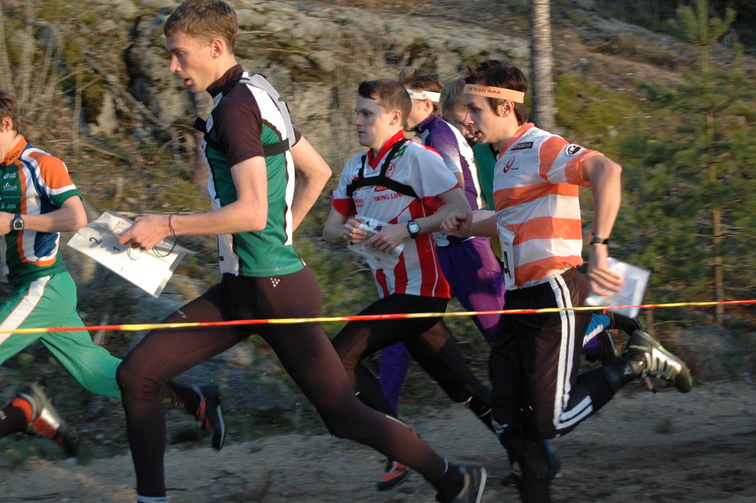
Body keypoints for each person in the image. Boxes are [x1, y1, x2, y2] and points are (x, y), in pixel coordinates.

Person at [115, 2, 486, 502]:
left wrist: (165, 224)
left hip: (274, 292)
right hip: (244, 287)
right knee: (137, 374)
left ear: (216, 47)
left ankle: (453, 479)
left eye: (180, 54)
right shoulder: (259, 90)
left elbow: (251, 212)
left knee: (343, 415)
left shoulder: (235, 108)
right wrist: (282, 234)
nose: (172, 66)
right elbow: (317, 171)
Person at [442, 59, 692, 503]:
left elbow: (607, 171)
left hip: (554, 290)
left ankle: (637, 361)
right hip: (518, 299)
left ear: (505, 108)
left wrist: (601, 244)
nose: (467, 120)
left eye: (475, 109)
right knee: (508, 422)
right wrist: (471, 224)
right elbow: (511, 218)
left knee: (550, 421)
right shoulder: (505, 157)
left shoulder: (539, 145)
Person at [0, 90, 223, 457]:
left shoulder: (41, 163)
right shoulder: (4, 172)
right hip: (37, 290)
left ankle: (24, 412)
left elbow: (76, 216)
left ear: (7, 123)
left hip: (44, 286)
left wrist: (16, 222)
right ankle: (195, 398)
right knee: (100, 376)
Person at [322, 77, 491, 496]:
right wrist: (349, 230)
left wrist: (407, 228)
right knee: (462, 387)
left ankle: (399, 445)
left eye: (367, 114)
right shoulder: (354, 167)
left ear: (395, 117)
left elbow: (460, 209)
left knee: (337, 357)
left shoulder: (419, 157)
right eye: (357, 113)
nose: (357, 121)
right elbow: (329, 231)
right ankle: (532, 452)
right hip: (393, 294)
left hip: (422, 294)